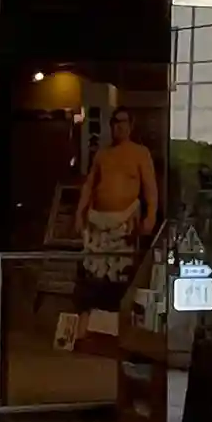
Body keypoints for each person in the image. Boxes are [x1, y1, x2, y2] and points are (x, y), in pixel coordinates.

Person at [75, 106, 158, 296]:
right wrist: (79, 214)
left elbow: (150, 188)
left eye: (122, 122)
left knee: (121, 275)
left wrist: (151, 216)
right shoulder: (102, 155)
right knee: (93, 274)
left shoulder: (140, 153)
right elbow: (88, 186)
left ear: (131, 125)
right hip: (97, 224)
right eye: (114, 122)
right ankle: (94, 307)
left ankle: (115, 307)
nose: (118, 126)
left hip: (125, 224)